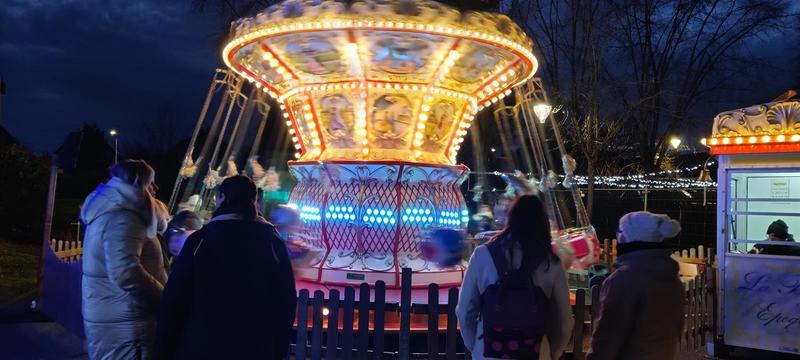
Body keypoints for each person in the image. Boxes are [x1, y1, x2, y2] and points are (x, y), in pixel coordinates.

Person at [155, 175, 296, 359]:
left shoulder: (200, 240)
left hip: (204, 344)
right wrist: (278, 346)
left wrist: (164, 349)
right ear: (254, 201)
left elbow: (175, 298)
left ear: (220, 198)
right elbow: (286, 297)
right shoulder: (271, 241)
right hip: (256, 345)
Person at [457, 195, 572, 360]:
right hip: (536, 352)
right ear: (542, 223)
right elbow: (564, 323)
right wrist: (552, 352)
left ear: (511, 219)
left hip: (488, 352)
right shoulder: (551, 263)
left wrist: (475, 345)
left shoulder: (482, 256)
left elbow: (465, 310)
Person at [81, 160, 169, 359]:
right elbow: (125, 271)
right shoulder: (124, 216)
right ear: (139, 182)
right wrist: (164, 299)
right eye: (151, 182)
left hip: (119, 314)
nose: (155, 188)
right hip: (127, 321)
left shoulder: (114, 210)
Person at [587, 211, 685, 360]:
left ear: (626, 237)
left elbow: (607, 338)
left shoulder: (624, 280)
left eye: (620, 231)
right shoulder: (673, 279)